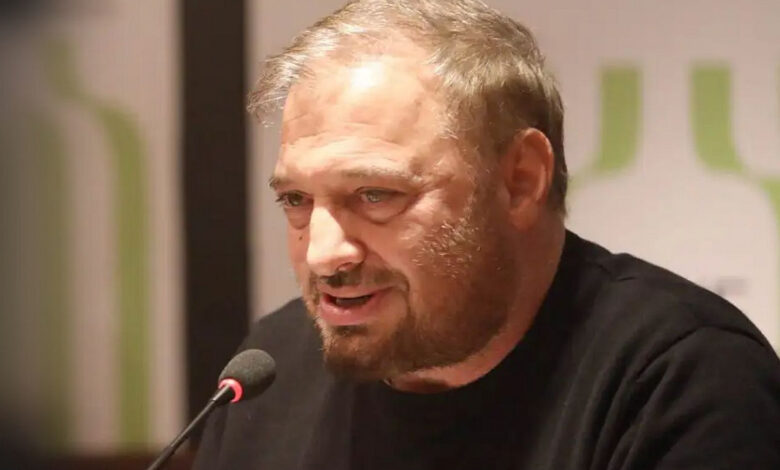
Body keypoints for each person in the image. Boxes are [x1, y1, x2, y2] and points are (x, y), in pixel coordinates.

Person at [193, 0, 780, 468]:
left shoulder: (682, 379)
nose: (324, 255)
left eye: (374, 195)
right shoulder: (271, 372)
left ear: (520, 181)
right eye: (296, 201)